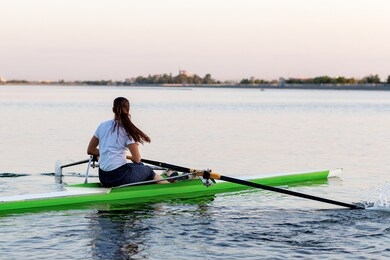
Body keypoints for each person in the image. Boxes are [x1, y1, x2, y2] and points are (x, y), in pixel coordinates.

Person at [87, 97, 168, 187]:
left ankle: (153, 178)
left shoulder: (102, 126)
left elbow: (90, 150)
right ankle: (169, 186)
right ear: (128, 110)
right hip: (118, 178)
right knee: (148, 170)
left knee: (139, 166)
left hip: (103, 178)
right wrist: (126, 156)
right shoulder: (128, 130)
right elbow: (137, 159)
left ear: (113, 110)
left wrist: (106, 152)